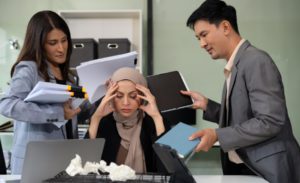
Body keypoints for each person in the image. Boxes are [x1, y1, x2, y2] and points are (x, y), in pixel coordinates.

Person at [181, 1, 300, 183]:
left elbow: (270, 120)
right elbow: (243, 117)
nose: (202, 44)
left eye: (204, 35)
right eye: (198, 38)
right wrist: (208, 106)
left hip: (266, 170)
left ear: (226, 27)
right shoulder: (237, 64)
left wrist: (217, 135)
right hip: (246, 166)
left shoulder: (255, 60)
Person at [0, 10, 81, 174]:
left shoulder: (67, 75)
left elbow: (72, 112)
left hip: (65, 158)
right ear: (39, 44)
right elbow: (7, 104)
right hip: (35, 162)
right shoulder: (28, 68)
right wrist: (57, 112)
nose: (61, 48)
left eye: (64, 41)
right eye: (53, 43)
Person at [87, 67, 170, 173]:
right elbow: (86, 168)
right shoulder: (104, 123)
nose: (126, 102)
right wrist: (95, 119)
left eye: (133, 96)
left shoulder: (154, 122)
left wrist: (157, 118)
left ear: (143, 95)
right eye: (119, 96)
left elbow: (167, 169)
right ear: (111, 96)